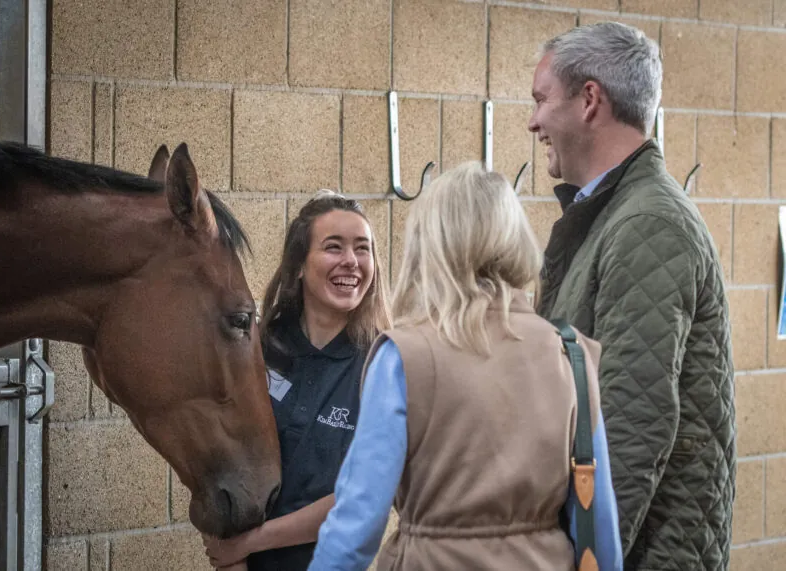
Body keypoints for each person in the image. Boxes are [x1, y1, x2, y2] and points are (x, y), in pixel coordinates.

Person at [306, 162, 623, 570]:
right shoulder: (570, 352)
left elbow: (355, 529)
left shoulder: (403, 356)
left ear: (431, 243)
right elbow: (600, 529)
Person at [528, 22, 736, 570]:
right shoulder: (613, 217)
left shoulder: (648, 224)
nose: (533, 122)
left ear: (589, 99)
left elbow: (631, 423)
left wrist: (579, 559)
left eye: (541, 100)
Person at [202, 190, 392, 571]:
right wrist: (230, 556)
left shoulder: (382, 364)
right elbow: (217, 458)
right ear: (299, 266)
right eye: (333, 247)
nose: (351, 262)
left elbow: (361, 499)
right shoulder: (258, 347)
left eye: (363, 248)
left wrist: (249, 543)